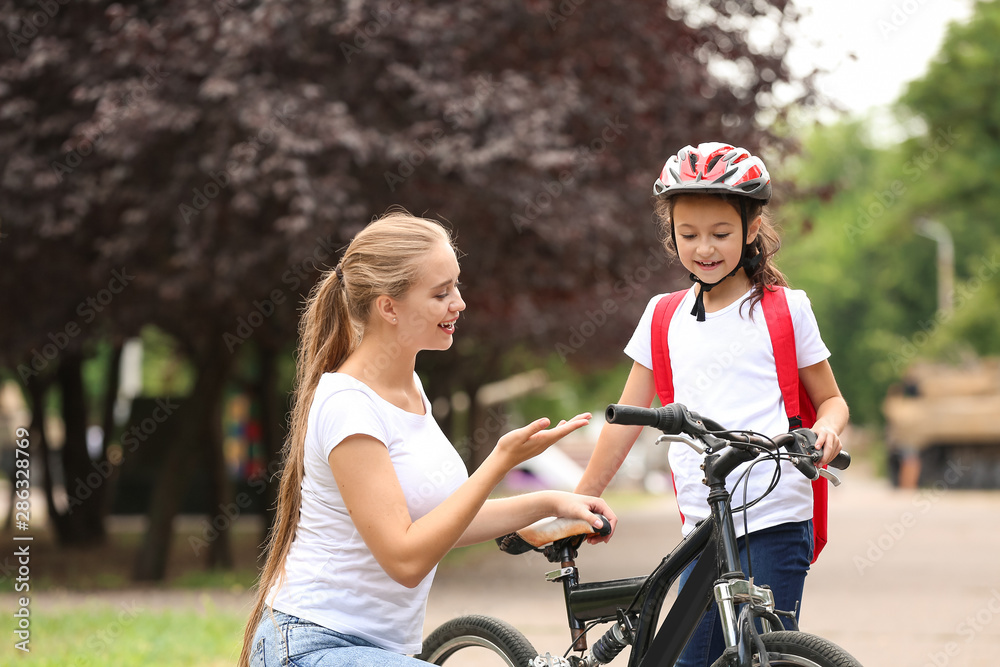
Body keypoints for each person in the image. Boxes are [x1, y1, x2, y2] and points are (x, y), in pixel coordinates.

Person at [239, 210, 617, 667]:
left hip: (381, 648)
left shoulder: (410, 388)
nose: (459, 303)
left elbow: (440, 522)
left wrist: (552, 503)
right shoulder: (348, 405)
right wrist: (499, 461)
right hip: (313, 644)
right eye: (441, 293)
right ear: (389, 307)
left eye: (456, 286)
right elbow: (405, 559)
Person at [574, 143, 849, 667]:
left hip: (776, 514)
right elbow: (624, 421)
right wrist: (580, 500)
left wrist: (826, 431)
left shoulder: (787, 310)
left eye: (721, 234)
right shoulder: (662, 317)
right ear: (671, 234)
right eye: (689, 234)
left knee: (758, 654)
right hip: (701, 525)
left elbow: (831, 400)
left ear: (750, 228)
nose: (704, 248)